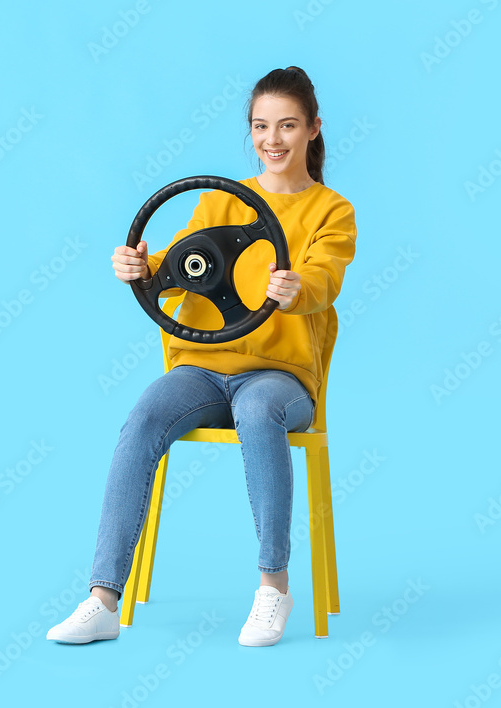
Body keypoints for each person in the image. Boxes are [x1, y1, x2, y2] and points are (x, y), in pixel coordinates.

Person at [47, 66, 357, 647]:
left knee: (259, 410)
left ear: (313, 129)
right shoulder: (222, 200)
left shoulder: (332, 212)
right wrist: (142, 268)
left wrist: (297, 289)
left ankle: (274, 588)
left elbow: (323, 278)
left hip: (280, 377)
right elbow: (185, 261)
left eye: (287, 125)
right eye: (261, 126)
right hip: (203, 369)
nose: (273, 139)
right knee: (142, 419)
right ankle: (102, 599)